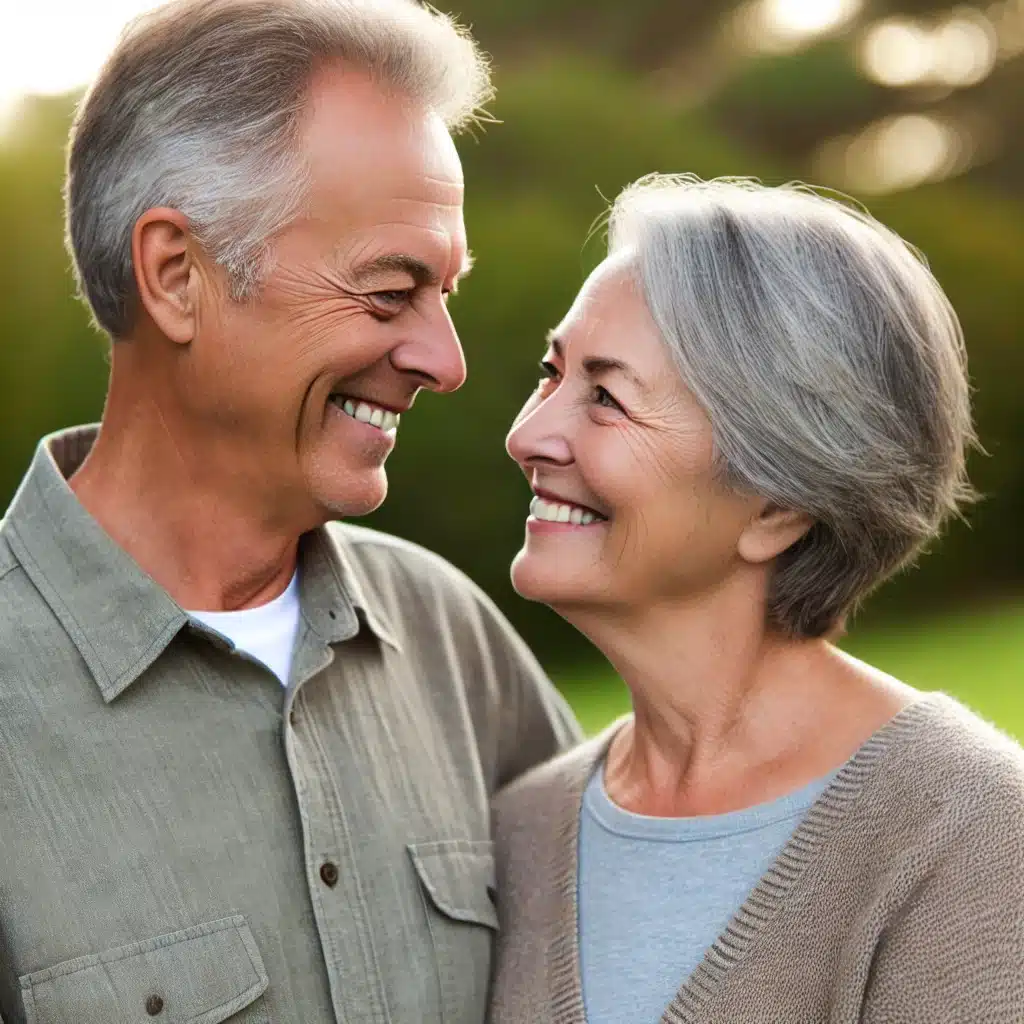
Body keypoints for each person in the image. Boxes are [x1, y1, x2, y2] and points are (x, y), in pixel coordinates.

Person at [0, 2, 582, 1022]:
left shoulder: (451, 638)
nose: (444, 362)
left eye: (444, 293)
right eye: (390, 291)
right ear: (179, 276)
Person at [490, 174, 1024, 1024]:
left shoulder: (972, 834)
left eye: (606, 397)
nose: (528, 434)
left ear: (778, 508)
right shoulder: (518, 833)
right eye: (550, 375)